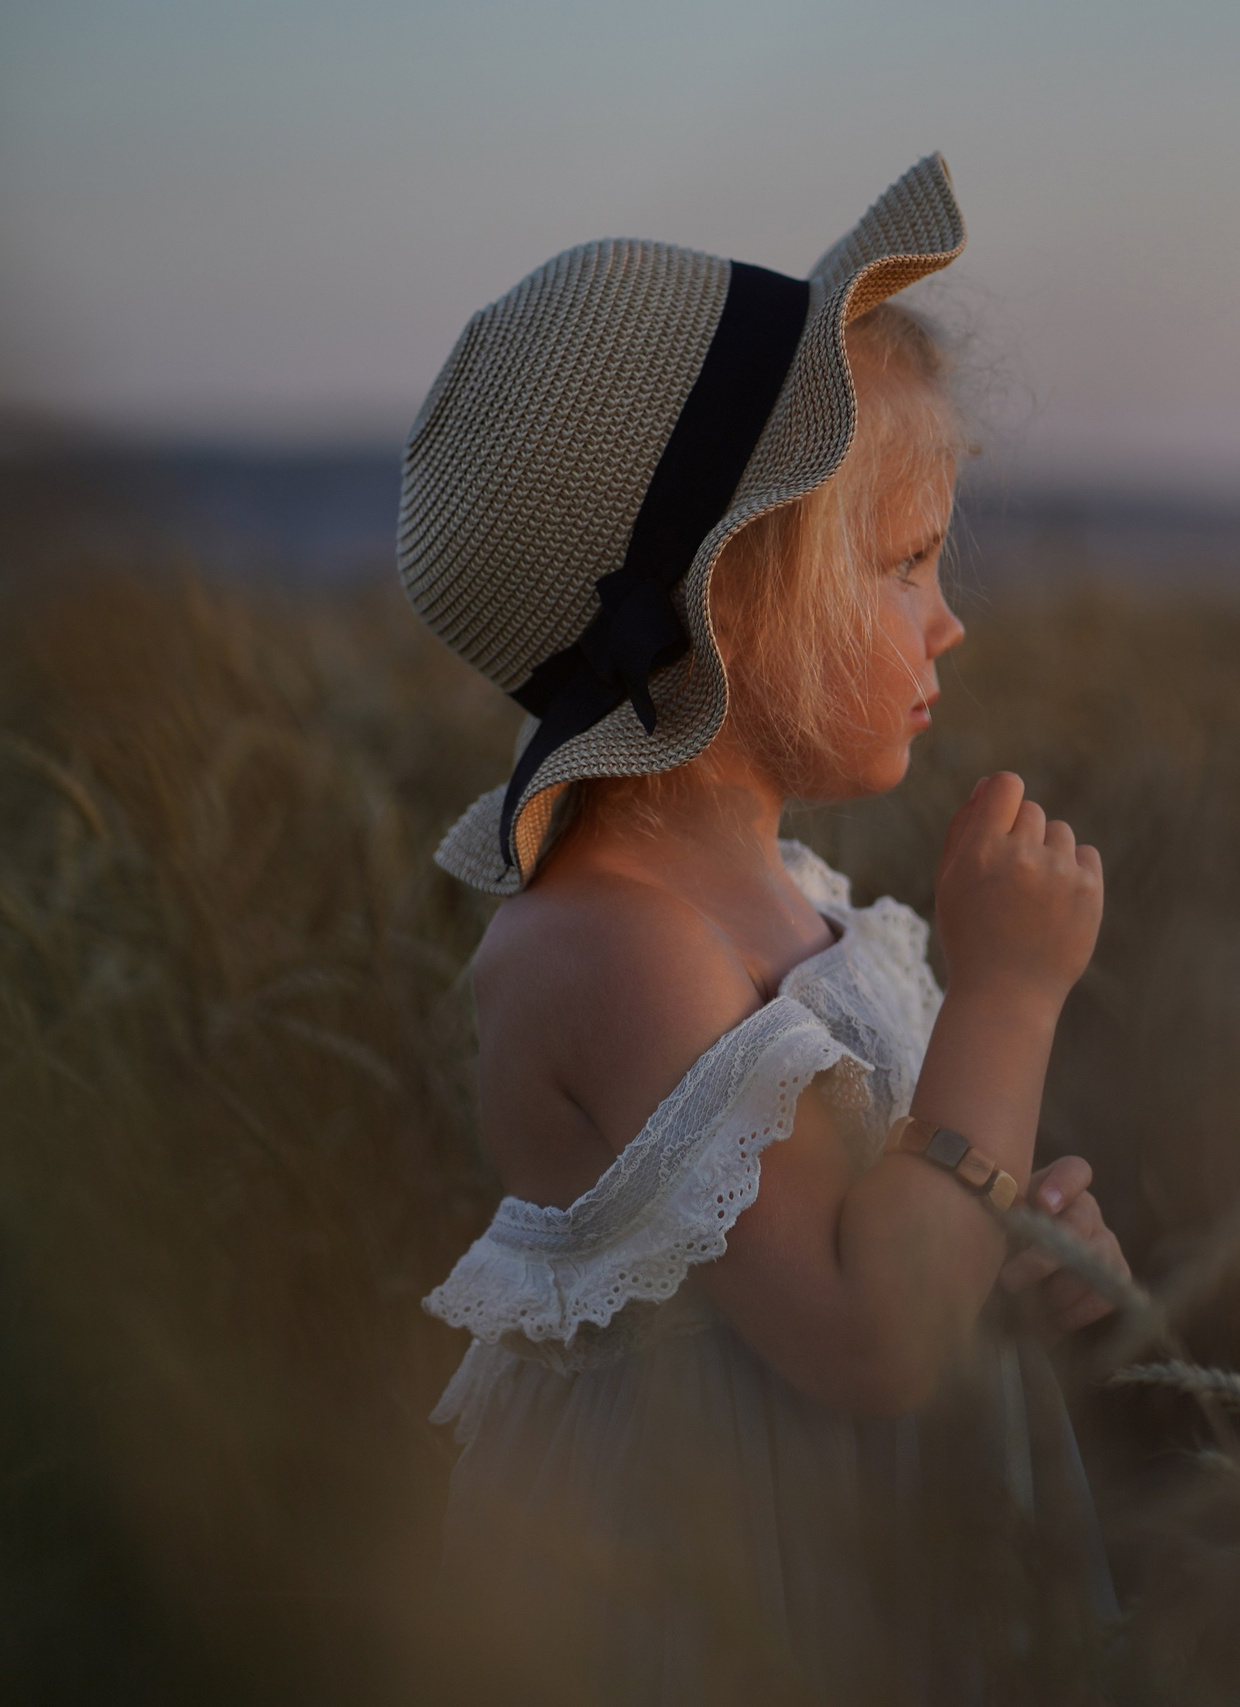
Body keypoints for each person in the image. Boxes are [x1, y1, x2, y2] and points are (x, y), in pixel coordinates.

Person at [402, 156, 1128, 1702]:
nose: (950, 618)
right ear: (729, 601)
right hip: (724, 1597)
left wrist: (1006, 1243)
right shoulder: (613, 946)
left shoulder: (795, 897)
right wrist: (1007, 999)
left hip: (869, 1558)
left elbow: (897, 1244)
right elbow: (872, 1338)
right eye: (904, 564)